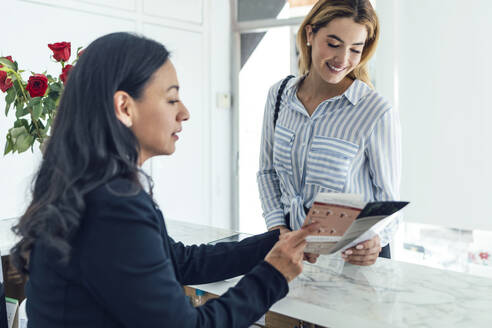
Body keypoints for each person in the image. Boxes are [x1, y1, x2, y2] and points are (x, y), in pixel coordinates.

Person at [10, 32, 319, 328]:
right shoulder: (113, 206)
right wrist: (273, 275)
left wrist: (279, 242)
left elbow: (181, 261)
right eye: (172, 100)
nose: (184, 113)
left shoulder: (89, 186)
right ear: (124, 107)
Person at [257, 0, 401, 266]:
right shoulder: (278, 96)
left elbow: (388, 202)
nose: (342, 60)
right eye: (333, 44)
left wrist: (377, 240)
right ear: (310, 34)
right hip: (291, 253)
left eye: (355, 50)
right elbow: (267, 172)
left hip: (351, 261)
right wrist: (276, 226)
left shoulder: (375, 110)